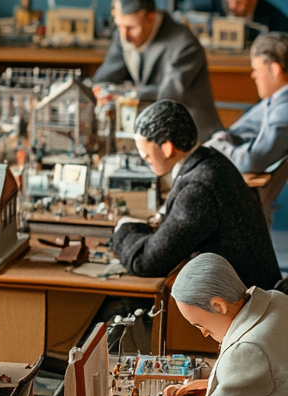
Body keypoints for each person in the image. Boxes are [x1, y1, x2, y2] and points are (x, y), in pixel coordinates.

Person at [111, 100, 280, 290]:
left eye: (146, 155)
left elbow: (146, 262)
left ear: (167, 148)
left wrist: (125, 229)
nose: (145, 160)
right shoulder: (211, 159)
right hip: (256, 288)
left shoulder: (198, 188)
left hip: (249, 301)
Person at [164, 254, 288, 396]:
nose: (203, 332)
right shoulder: (277, 299)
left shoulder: (249, 349)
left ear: (218, 306)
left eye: (199, 323)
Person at [94, 0, 222, 142]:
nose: (124, 36)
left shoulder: (184, 44)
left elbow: (167, 94)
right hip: (151, 131)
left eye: (131, 28)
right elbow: (104, 78)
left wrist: (122, 92)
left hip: (192, 136)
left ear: (151, 18)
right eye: (119, 26)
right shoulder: (123, 35)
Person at [207, 32, 288, 173]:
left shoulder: (283, 111)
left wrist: (220, 147)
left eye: (256, 69)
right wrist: (225, 139)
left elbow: (250, 161)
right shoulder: (276, 99)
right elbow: (242, 129)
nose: (253, 75)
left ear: (275, 70)